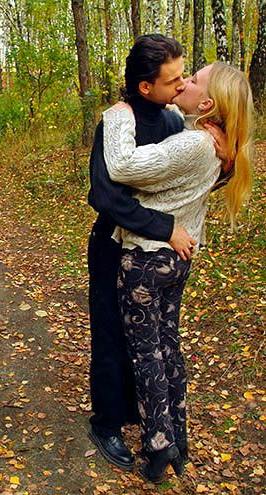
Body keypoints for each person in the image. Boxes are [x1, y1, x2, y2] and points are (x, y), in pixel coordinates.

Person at [102, 61, 254, 482]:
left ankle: (158, 444)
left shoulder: (195, 145)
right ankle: (179, 436)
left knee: (147, 353)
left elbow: (122, 167)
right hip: (177, 260)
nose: (184, 82)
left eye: (194, 80)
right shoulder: (216, 145)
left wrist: (117, 114)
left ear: (206, 102)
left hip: (147, 259)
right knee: (168, 347)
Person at [86, 34, 192, 472]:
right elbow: (106, 197)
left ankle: (137, 412)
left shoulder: (172, 120)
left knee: (148, 339)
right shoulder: (116, 121)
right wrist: (166, 227)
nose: (182, 86)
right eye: (173, 81)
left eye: (184, 76)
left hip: (152, 254)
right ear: (145, 86)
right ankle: (107, 422)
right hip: (113, 245)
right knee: (111, 334)